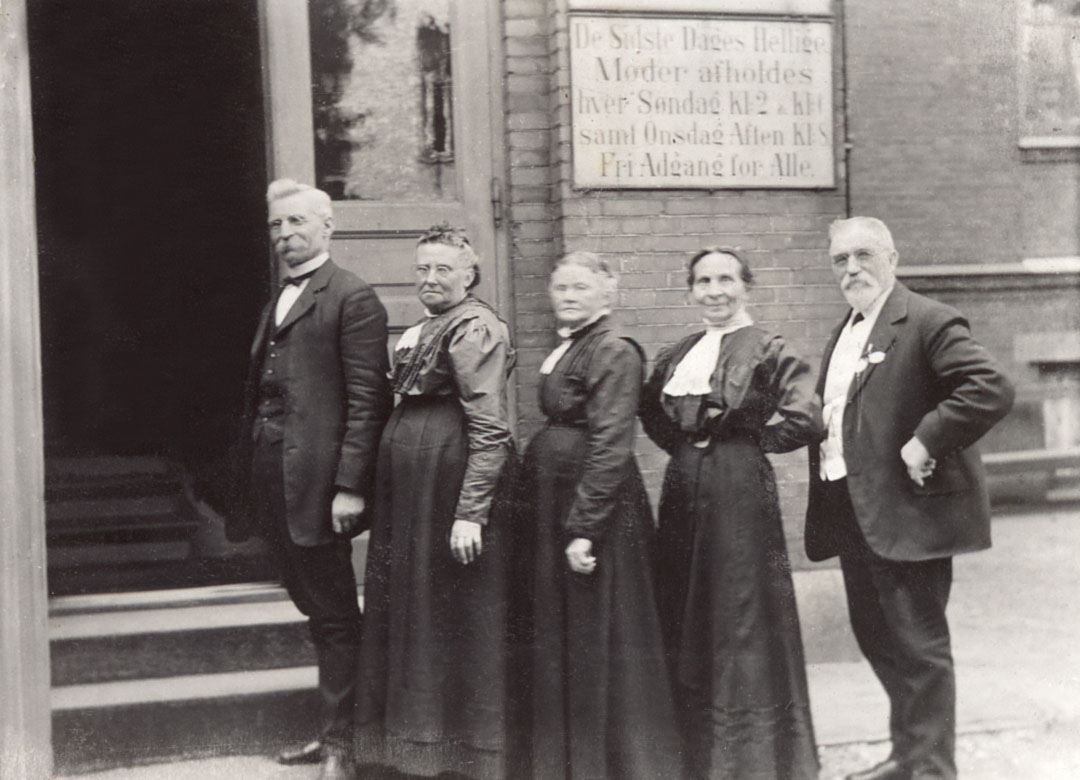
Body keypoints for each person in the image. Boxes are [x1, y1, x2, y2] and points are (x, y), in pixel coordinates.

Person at [804, 217, 1014, 780]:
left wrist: (926, 439)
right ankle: (908, 757)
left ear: (892, 258)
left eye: (864, 255)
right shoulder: (847, 329)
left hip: (908, 515)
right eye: (840, 260)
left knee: (919, 650)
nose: (852, 270)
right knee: (880, 641)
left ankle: (932, 770)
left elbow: (989, 387)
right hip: (854, 514)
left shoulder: (925, 320)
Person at [227, 179, 392, 780]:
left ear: (328, 227)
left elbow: (368, 401)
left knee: (334, 613)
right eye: (277, 225)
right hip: (276, 476)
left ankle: (343, 745)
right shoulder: (280, 299)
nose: (286, 235)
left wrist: (351, 485)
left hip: (322, 483)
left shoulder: (352, 297)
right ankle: (332, 732)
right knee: (312, 607)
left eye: (298, 222)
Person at [639, 247, 822, 780]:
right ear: (690, 289)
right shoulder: (679, 352)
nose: (713, 290)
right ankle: (698, 755)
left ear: (747, 286)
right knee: (687, 603)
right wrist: (684, 444)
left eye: (725, 279)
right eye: (702, 281)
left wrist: (748, 440)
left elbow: (805, 418)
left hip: (739, 489)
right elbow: (651, 410)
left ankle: (753, 759)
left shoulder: (769, 346)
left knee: (740, 612)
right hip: (683, 489)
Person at [354, 225, 517, 780]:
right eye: (422, 268)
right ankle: (406, 748)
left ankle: (455, 755)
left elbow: (491, 429)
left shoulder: (475, 328)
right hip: (414, 491)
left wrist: (471, 512)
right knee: (410, 607)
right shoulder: (424, 327)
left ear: (469, 274)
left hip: (447, 486)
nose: (429, 278)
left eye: (443, 269)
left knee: (446, 614)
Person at [520, 251, 684, 780]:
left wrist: (585, 528)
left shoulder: (613, 350)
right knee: (572, 631)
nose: (567, 296)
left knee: (604, 631)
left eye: (580, 288)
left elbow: (612, 443)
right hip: (559, 502)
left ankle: (621, 765)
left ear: (607, 296)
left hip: (598, 512)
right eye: (560, 286)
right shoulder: (570, 347)